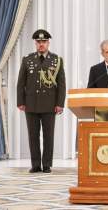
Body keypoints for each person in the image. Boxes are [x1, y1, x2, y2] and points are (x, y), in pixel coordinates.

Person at [17, 29, 66, 173]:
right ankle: (36, 164)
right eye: (38, 42)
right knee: (33, 135)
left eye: (44, 42)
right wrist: (21, 101)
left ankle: (47, 164)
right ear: (35, 43)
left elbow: (61, 84)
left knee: (48, 135)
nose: (41, 44)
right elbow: (21, 83)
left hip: (49, 104)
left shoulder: (56, 60)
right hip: (31, 104)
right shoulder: (27, 59)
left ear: (48, 43)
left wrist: (60, 103)